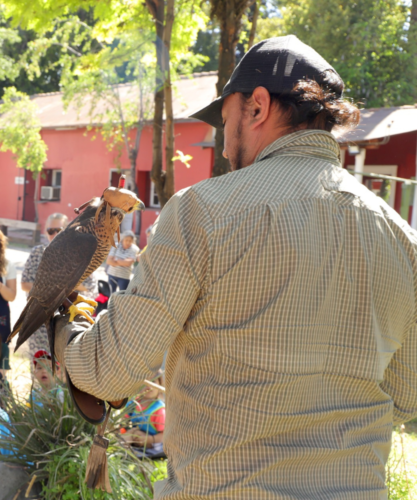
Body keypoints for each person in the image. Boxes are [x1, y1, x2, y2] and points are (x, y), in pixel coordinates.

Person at [57, 35, 417, 498]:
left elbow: (110, 374)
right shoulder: (401, 238)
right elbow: (405, 395)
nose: (225, 149)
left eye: (224, 123)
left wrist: (67, 324)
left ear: (257, 107)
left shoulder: (200, 212)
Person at [21, 213, 97, 356]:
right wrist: (62, 285)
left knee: (66, 372)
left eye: (59, 230)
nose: (55, 234)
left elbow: (90, 288)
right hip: (40, 321)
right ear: (45, 232)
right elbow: (25, 284)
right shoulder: (38, 252)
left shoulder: (79, 252)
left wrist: (56, 285)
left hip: (69, 322)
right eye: (51, 231)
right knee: (40, 369)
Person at [122, 379, 165, 459]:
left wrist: (148, 439)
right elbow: (123, 423)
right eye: (146, 382)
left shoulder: (159, 410)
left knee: (133, 433)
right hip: (136, 439)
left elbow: (164, 435)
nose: (149, 386)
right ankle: (120, 449)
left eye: (153, 382)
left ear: (159, 386)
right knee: (132, 432)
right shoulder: (133, 404)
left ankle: (120, 449)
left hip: (154, 444)